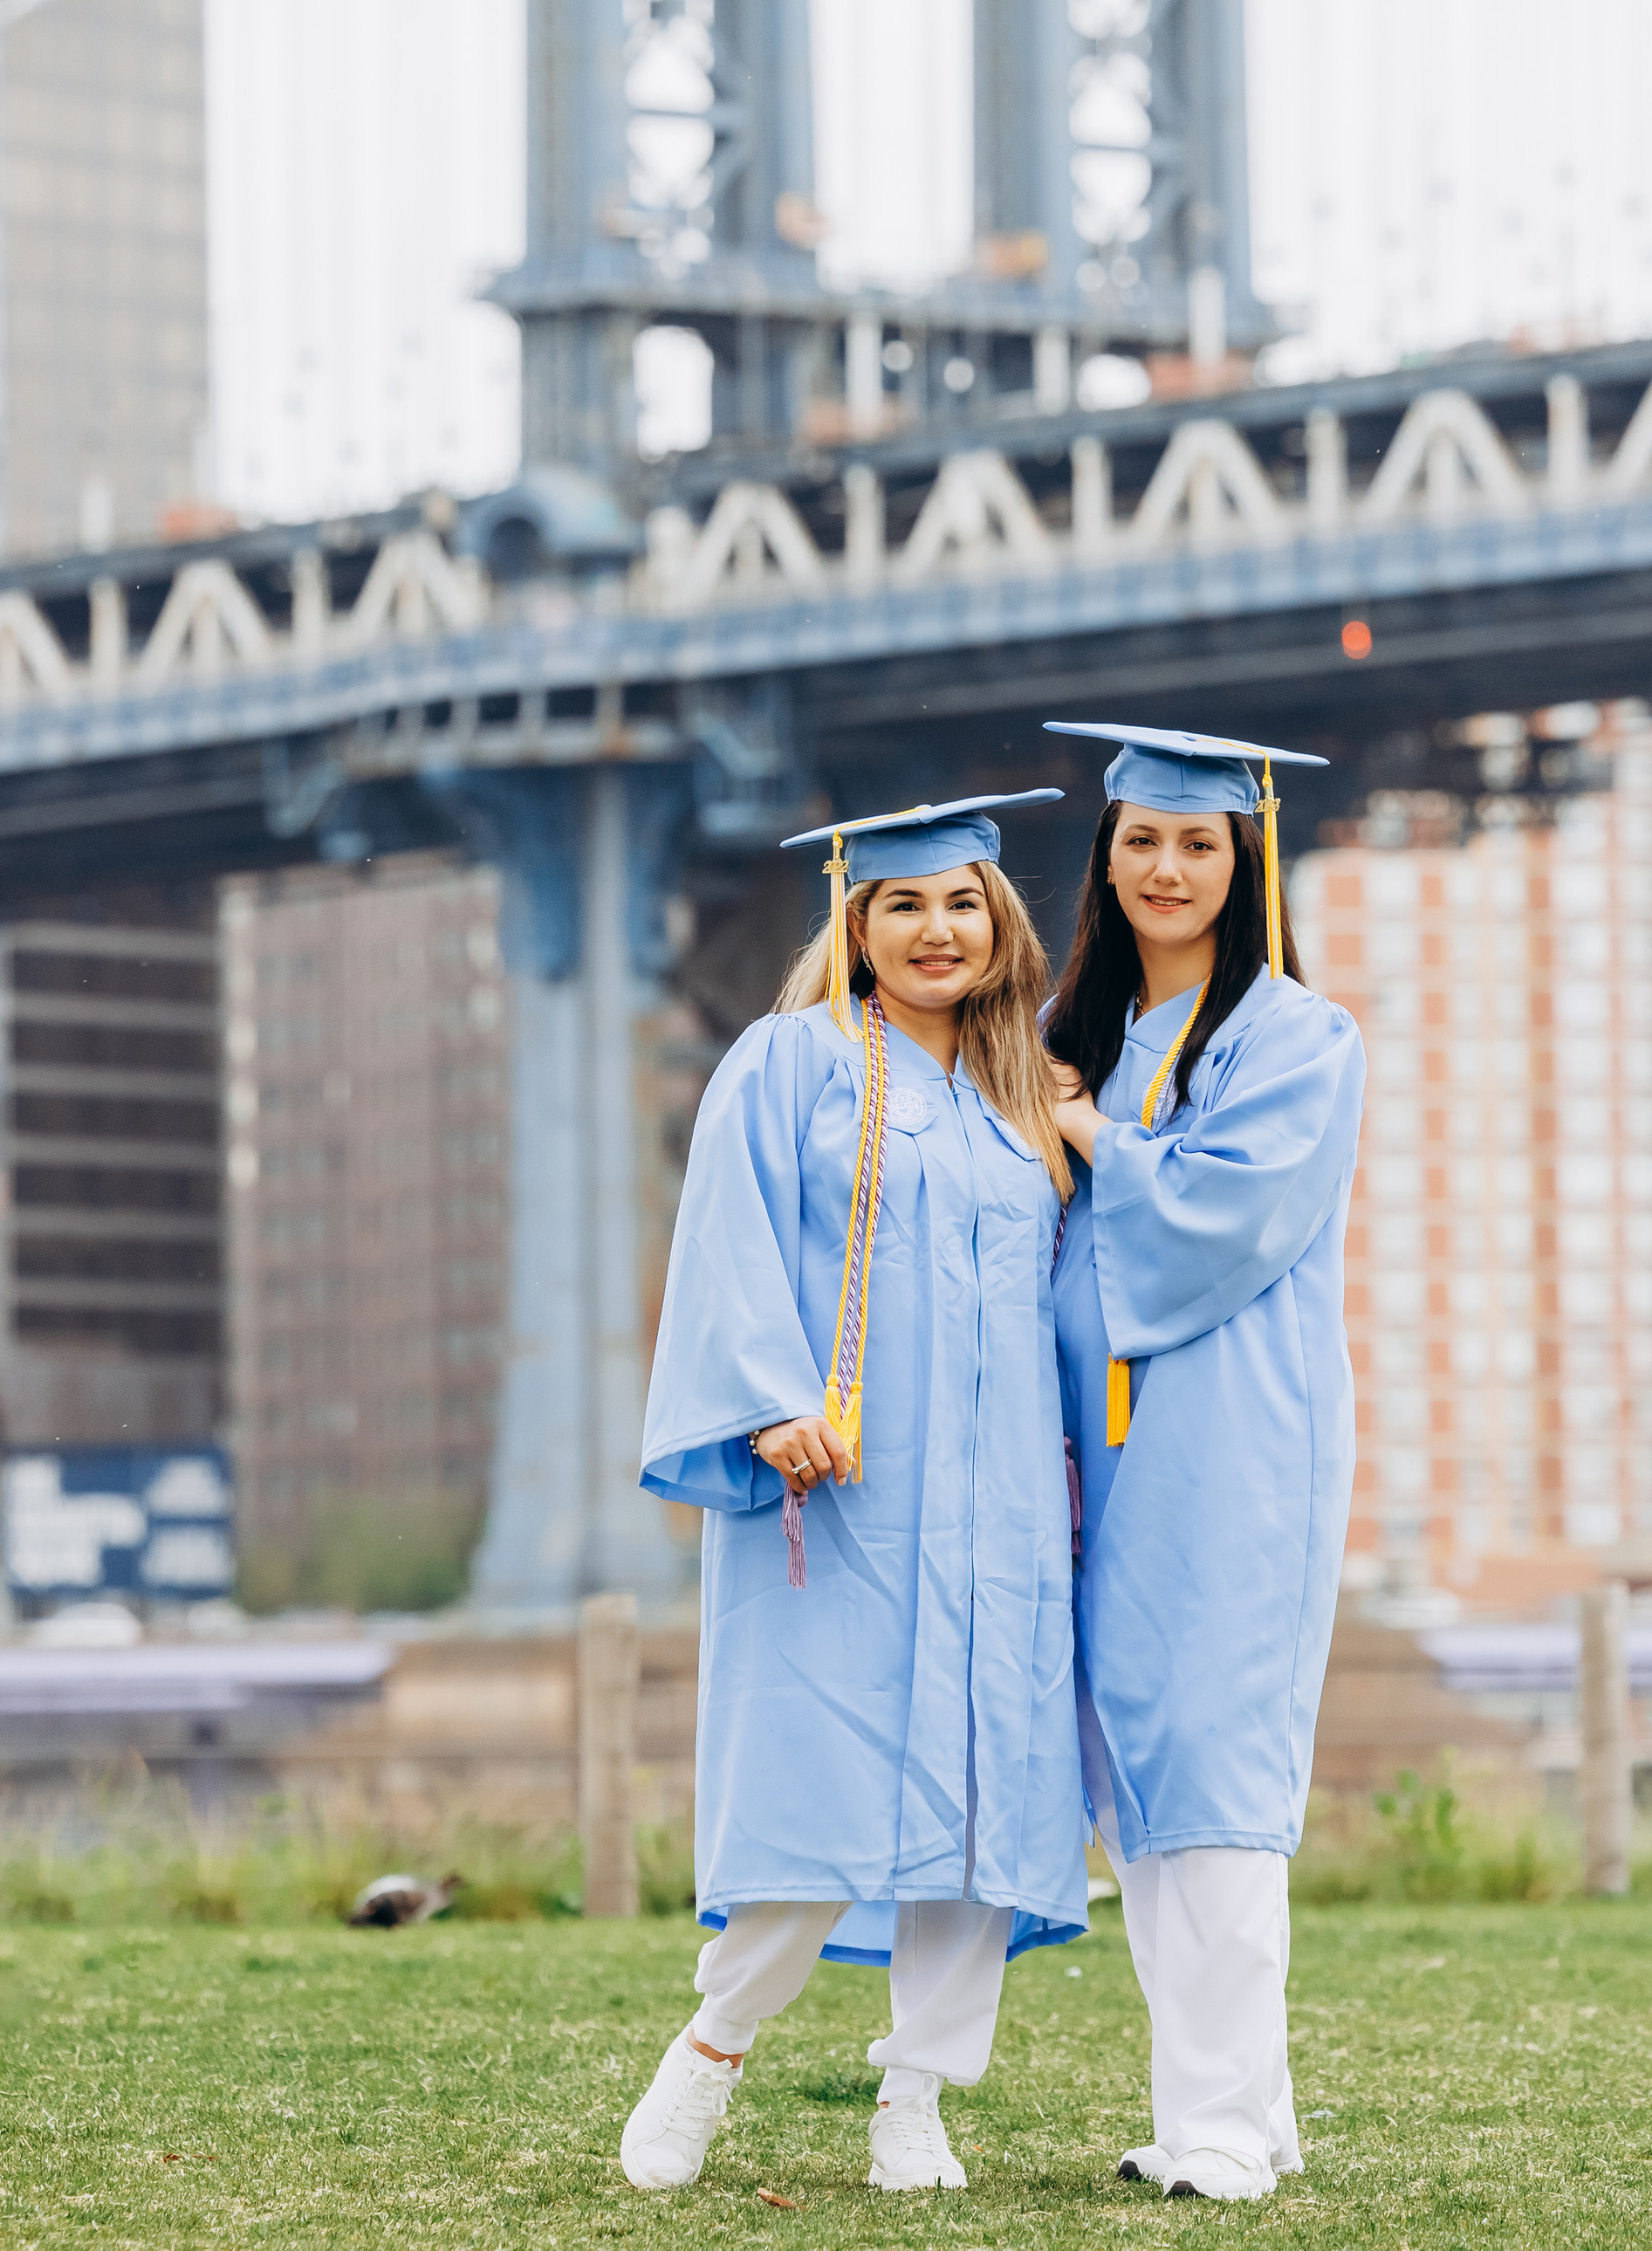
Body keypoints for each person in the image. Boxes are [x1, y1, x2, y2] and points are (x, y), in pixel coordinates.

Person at [619, 791, 1087, 2197]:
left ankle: (918, 2099)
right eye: (903, 904)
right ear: (857, 921)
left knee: (979, 1813)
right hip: (846, 1492)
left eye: (960, 902)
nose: (935, 929)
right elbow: (728, 1232)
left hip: (1001, 1509)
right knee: (813, 1791)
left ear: (997, 921)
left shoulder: (1028, 1093)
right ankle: (713, 2048)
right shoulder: (793, 1062)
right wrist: (770, 1397)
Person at [1039, 718, 1365, 2205]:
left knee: (1222, 1773)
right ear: (1105, 860)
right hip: (1103, 1469)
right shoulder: (1078, 1041)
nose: (1170, 867)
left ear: (1247, 863)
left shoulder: (1295, 1036)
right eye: (1142, 840)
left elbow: (1222, 1221)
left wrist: (1096, 1142)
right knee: (1147, 1781)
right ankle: (1231, 2111)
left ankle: (1225, 2128)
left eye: (1200, 842)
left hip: (1234, 1449)